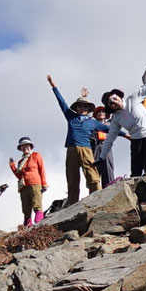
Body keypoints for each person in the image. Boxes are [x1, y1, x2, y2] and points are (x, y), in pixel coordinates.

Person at [46, 75, 105, 203]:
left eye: (85, 107)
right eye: (80, 106)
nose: (82, 109)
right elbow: (62, 103)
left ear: (89, 109)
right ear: (76, 108)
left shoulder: (93, 122)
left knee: (92, 176)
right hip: (71, 150)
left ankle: (99, 199)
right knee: (72, 178)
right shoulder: (71, 116)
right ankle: (72, 203)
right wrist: (54, 86)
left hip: (86, 150)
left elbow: (110, 129)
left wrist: (126, 135)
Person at [8, 137, 49, 226]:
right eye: (23, 146)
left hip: (35, 183)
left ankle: (39, 225)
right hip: (23, 186)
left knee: (37, 204)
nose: (25, 147)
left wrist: (44, 183)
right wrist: (12, 166)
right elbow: (19, 176)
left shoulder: (36, 155)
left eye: (27, 145)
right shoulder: (20, 162)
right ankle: (27, 226)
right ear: (20, 148)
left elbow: (42, 169)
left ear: (30, 146)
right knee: (26, 208)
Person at [92, 103, 118, 187]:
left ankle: (109, 187)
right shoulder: (92, 124)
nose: (101, 113)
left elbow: (116, 113)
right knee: (94, 169)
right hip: (95, 147)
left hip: (106, 146)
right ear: (95, 115)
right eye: (98, 112)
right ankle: (93, 190)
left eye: (103, 111)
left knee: (108, 168)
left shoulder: (110, 123)